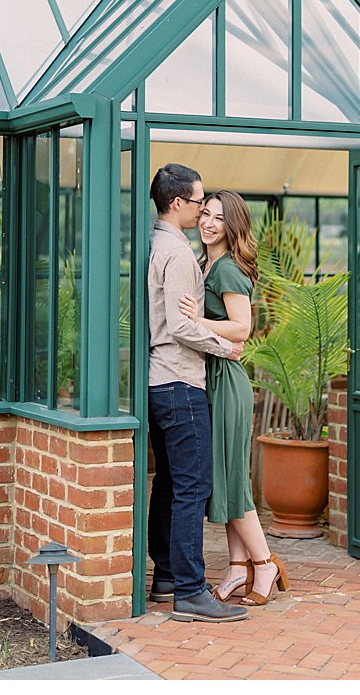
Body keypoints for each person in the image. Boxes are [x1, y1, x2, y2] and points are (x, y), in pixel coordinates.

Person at [146, 164, 248, 623]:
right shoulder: (182, 256)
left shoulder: (156, 244)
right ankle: (190, 591)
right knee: (192, 487)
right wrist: (226, 347)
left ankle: (166, 575)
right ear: (177, 204)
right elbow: (182, 326)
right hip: (182, 382)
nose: (201, 211)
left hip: (158, 382)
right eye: (197, 202)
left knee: (168, 483)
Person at [177, 190, 289, 607]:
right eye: (204, 213)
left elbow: (242, 329)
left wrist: (196, 319)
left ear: (233, 226)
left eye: (218, 218)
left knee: (232, 480)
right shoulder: (209, 264)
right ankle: (237, 569)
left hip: (227, 383)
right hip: (215, 378)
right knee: (226, 481)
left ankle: (264, 563)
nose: (207, 222)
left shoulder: (226, 270)